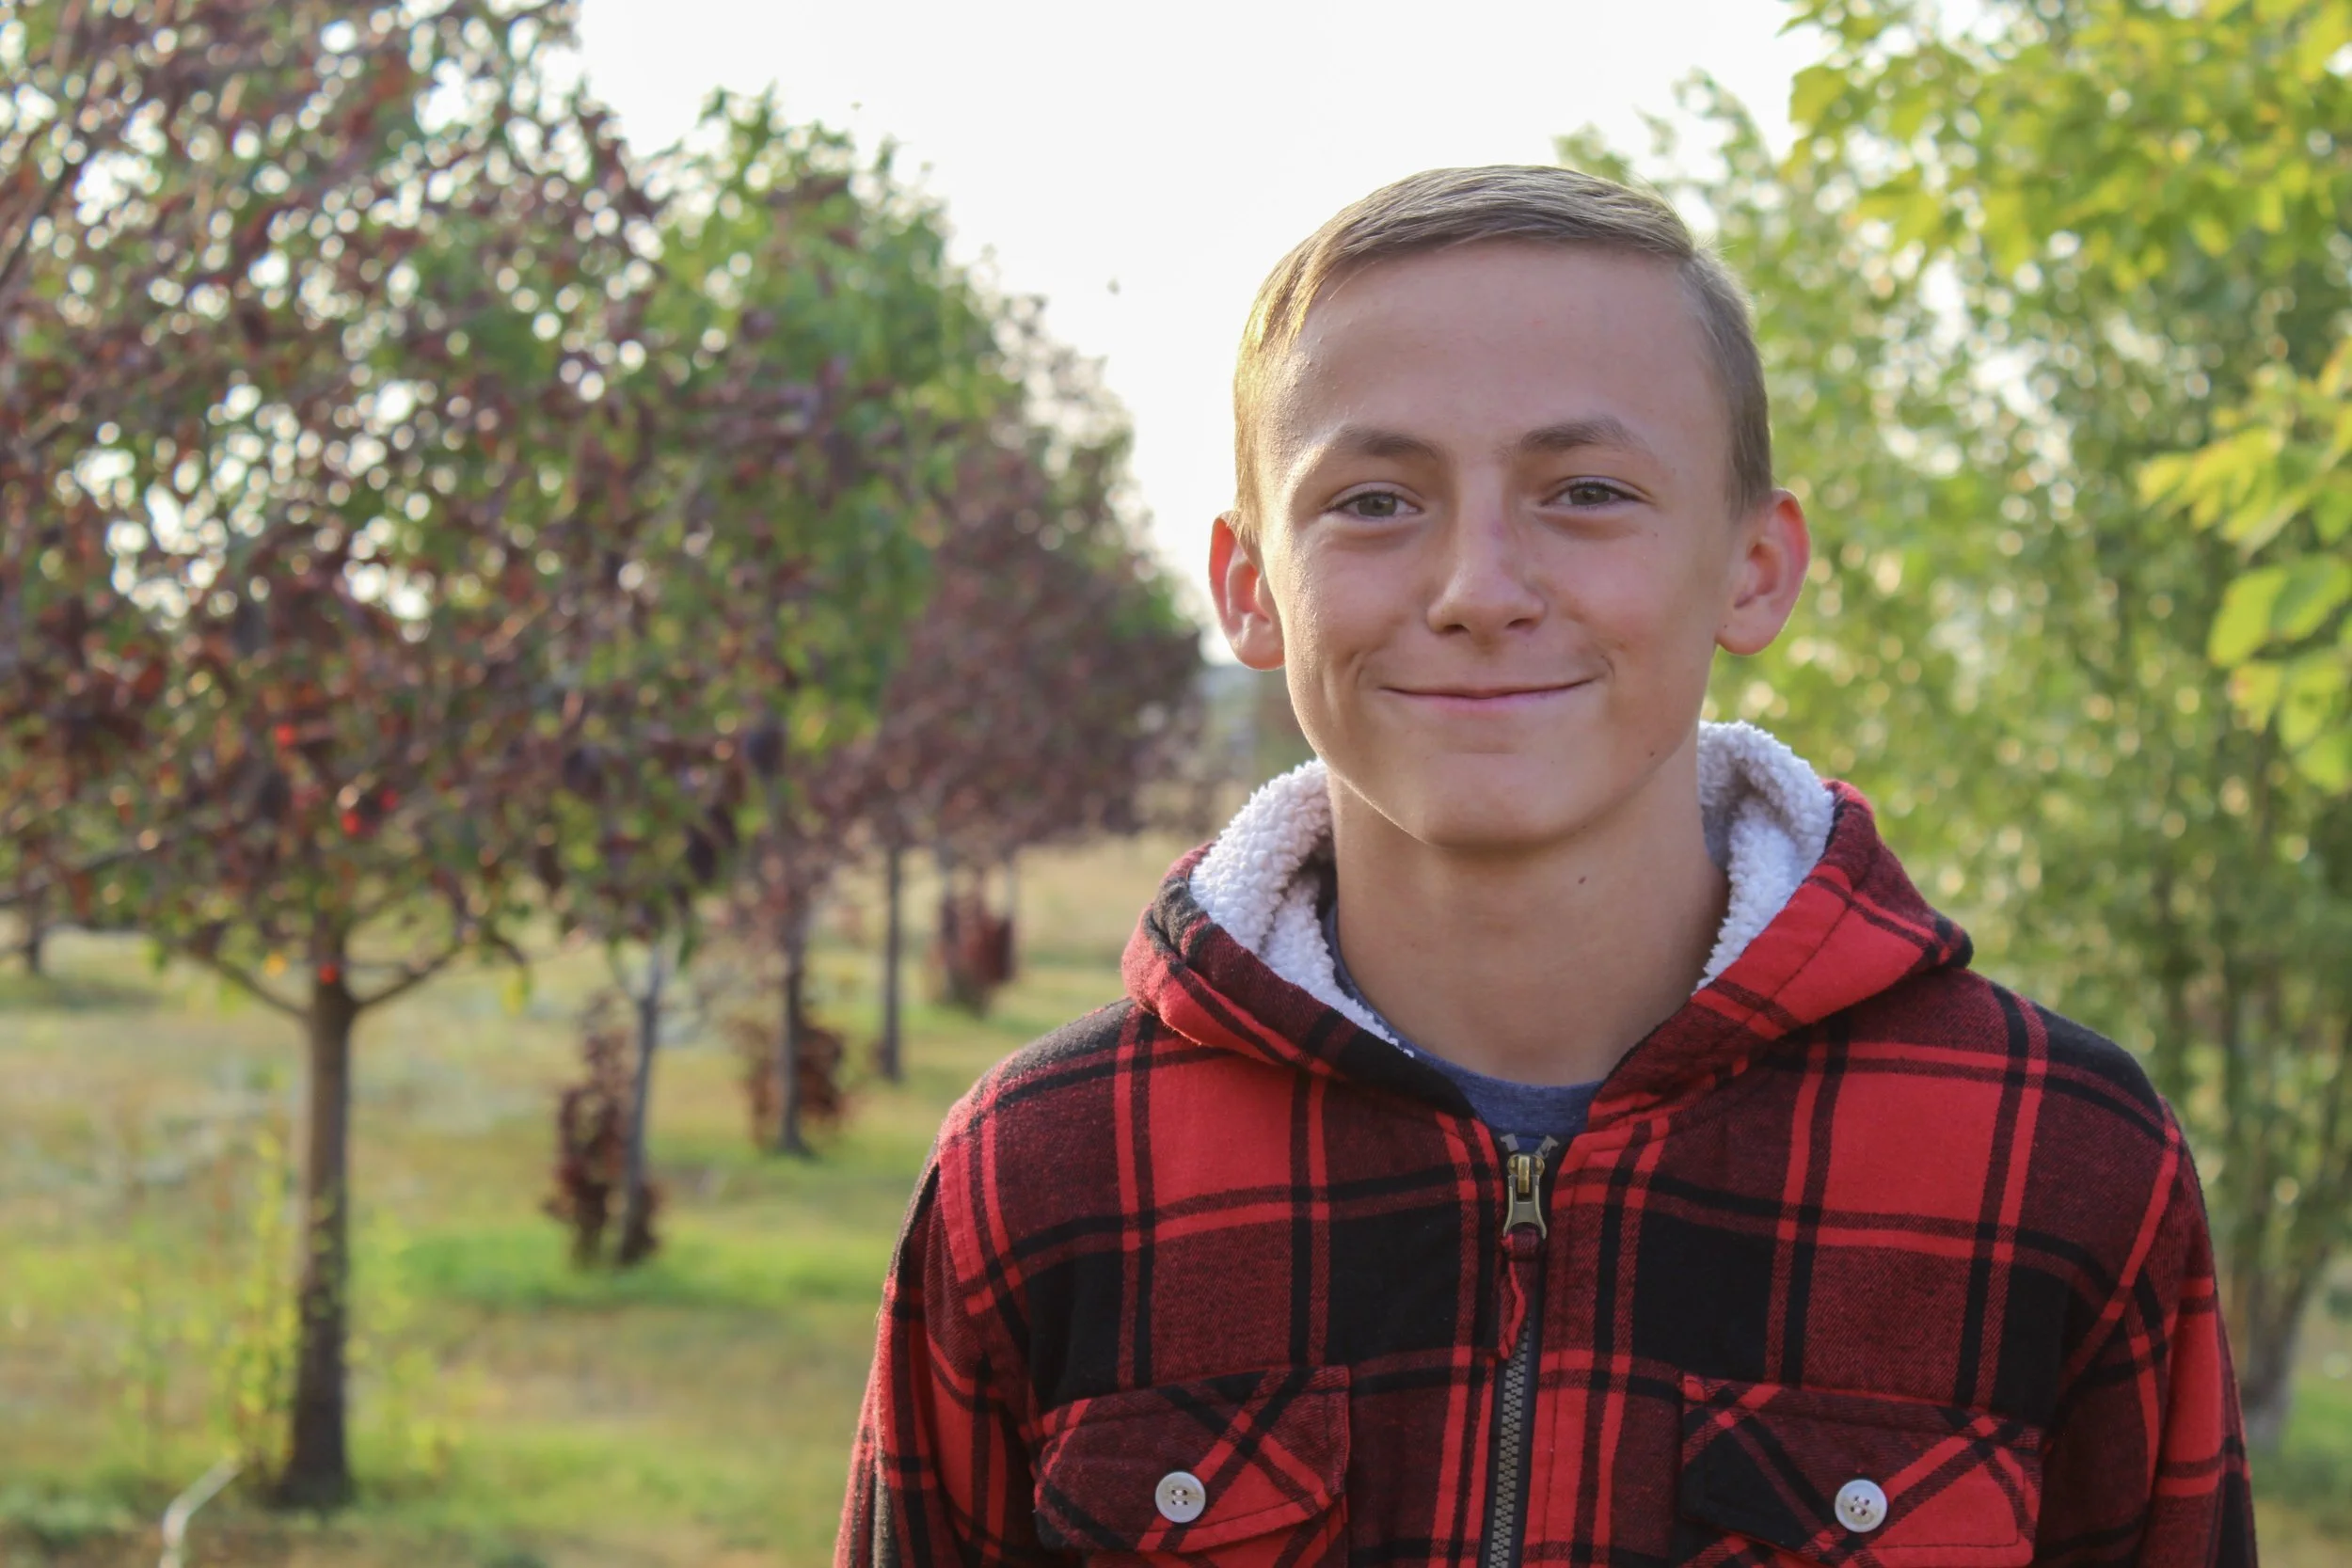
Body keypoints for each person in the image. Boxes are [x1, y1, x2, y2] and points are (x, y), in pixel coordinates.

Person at [836, 166, 2252, 1568]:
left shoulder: (2054, 1160)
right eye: (1376, 502)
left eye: (1585, 489)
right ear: (1250, 586)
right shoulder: (1043, 1174)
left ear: (1754, 566)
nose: (1477, 591)